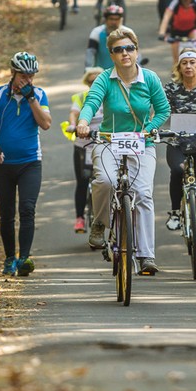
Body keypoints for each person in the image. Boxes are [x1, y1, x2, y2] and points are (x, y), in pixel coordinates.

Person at [76, 30, 171, 275]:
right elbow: (91, 103)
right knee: (105, 181)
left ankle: (147, 255)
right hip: (109, 140)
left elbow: (163, 110)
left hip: (142, 143)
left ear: (137, 50)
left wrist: (148, 130)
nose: (124, 53)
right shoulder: (104, 79)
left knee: (143, 194)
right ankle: (99, 221)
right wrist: (84, 123)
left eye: (129, 48)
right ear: (112, 55)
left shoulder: (149, 79)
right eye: (118, 50)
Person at [0, 52, 53, 276]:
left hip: (30, 162)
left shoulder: (39, 95)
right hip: (3, 164)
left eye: (31, 75)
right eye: (24, 75)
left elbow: (46, 124)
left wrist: (31, 98)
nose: (28, 79)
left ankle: (24, 259)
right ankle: (9, 258)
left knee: (27, 209)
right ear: (13, 73)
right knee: (7, 213)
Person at [163, 48, 196, 233]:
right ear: (179, 67)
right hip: (177, 141)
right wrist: (152, 127)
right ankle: (176, 212)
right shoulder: (171, 88)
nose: (188, 66)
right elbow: (160, 110)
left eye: (192, 62)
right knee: (178, 171)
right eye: (184, 63)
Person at [65, 67, 105, 234]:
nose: (94, 83)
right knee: (82, 181)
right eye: (91, 81)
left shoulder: (108, 96)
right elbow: (74, 113)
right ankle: (80, 218)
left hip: (104, 144)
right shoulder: (82, 97)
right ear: (87, 82)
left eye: (98, 80)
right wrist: (73, 125)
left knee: (105, 181)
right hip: (83, 145)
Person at [85, 4, 136, 70]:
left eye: (117, 19)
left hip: (125, 72)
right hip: (101, 73)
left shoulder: (128, 32)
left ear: (121, 20)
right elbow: (90, 52)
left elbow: (135, 51)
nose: (114, 22)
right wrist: (88, 69)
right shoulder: (97, 32)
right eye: (111, 19)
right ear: (105, 20)